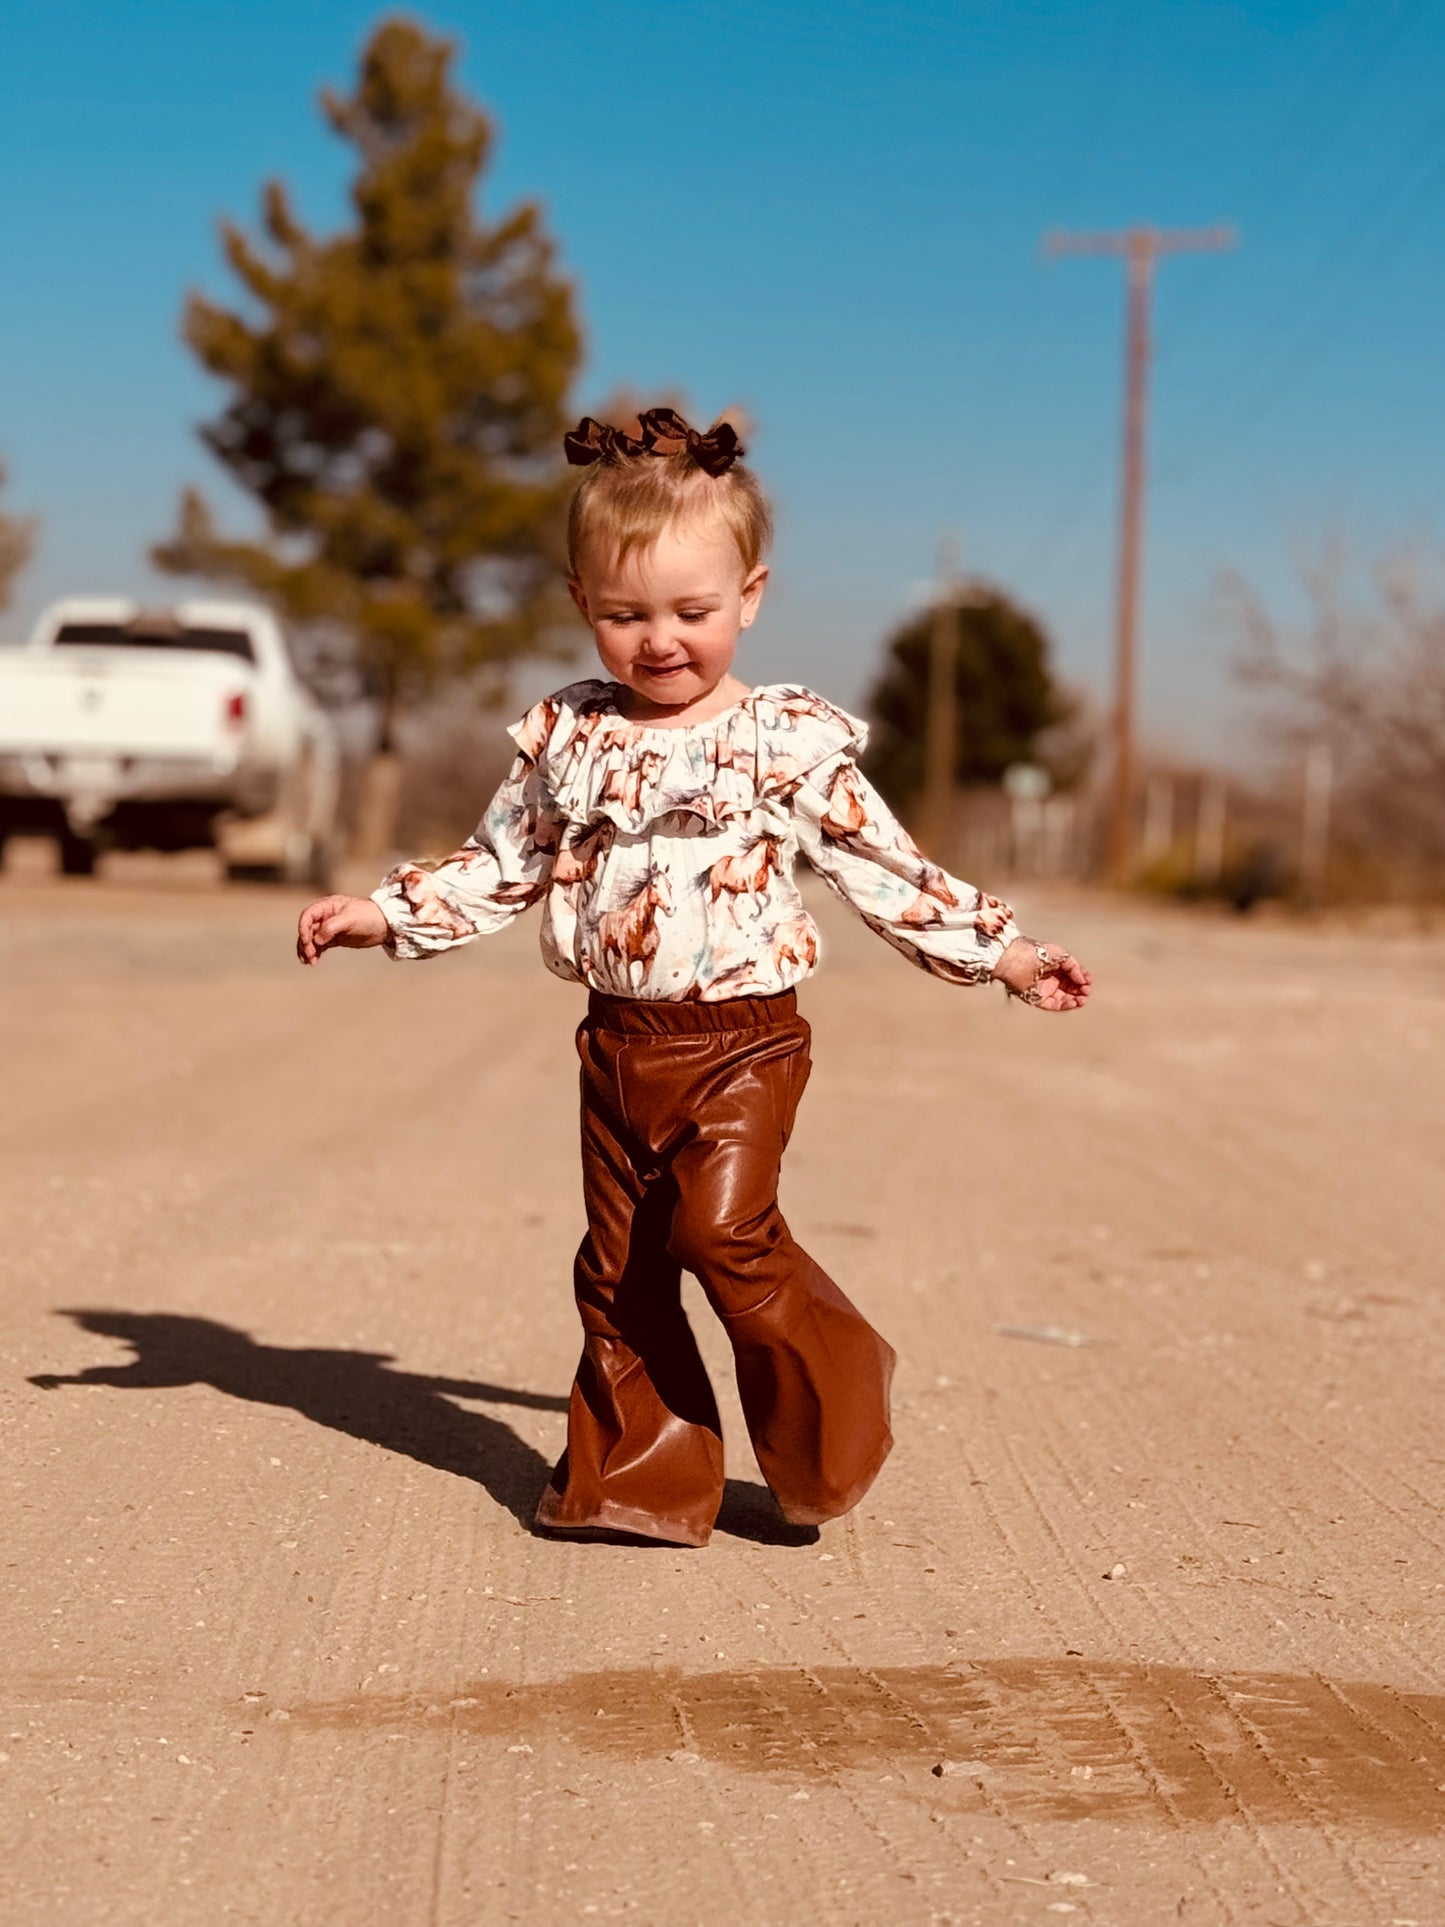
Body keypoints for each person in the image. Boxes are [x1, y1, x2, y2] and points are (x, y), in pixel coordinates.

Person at [296, 406, 1091, 1548]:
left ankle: (835, 1396)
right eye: (625, 615)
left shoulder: (782, 739)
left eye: (691, 611)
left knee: (722, 1237)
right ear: (581, 603)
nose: (659, 640)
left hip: (742, 1045)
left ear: (749, 597)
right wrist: (382, 911)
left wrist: (1004, 953)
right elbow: (501, 863)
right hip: (615, 1043)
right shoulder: (569, 738)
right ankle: (638, 1479)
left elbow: (883, 869)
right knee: (617, 1272)